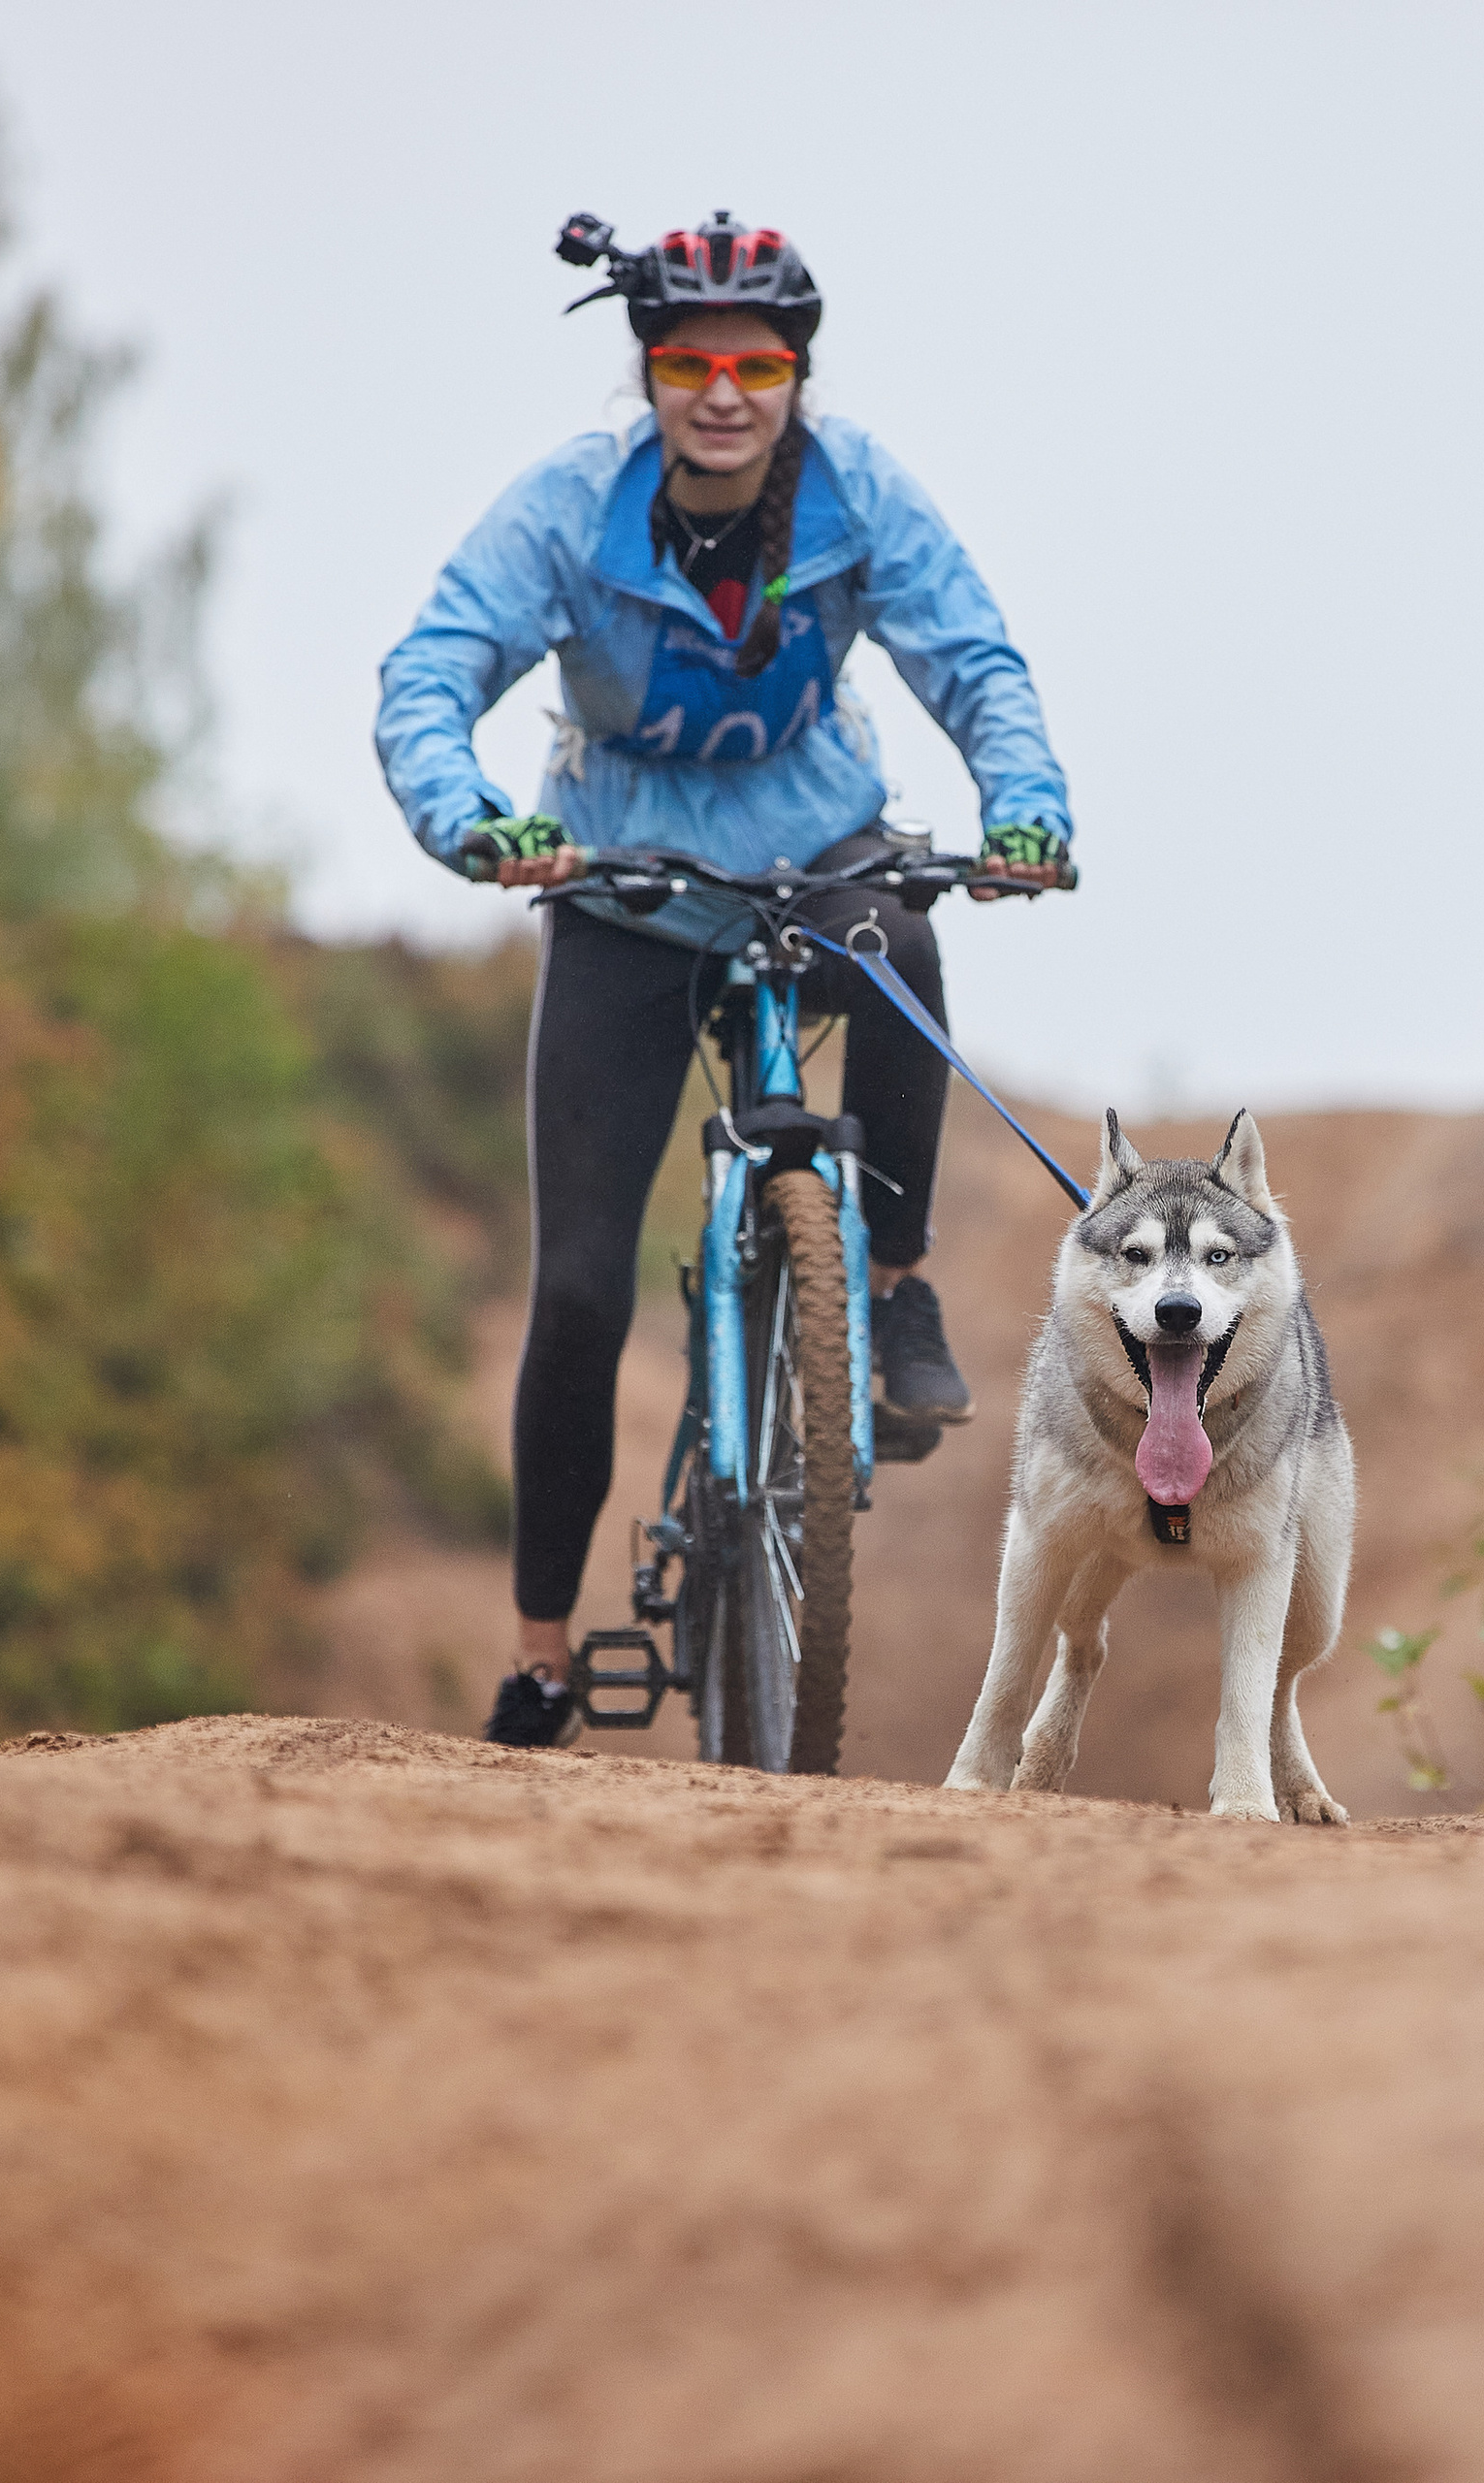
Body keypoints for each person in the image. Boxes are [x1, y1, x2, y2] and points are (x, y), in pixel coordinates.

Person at [374, 210, 1074, 1748]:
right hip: (622, 882)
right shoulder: (572, 508)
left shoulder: (861, 491)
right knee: (576, 1293)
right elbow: (431, 671)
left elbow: (974, 660)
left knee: (900, 942)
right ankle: (541, 1656)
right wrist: (472, 819)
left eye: (757, 367)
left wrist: (1027, 805)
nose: (723, 394)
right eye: (689, 363)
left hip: (816, 843)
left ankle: (890, 1291)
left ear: (797, 376)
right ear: (648, 372)